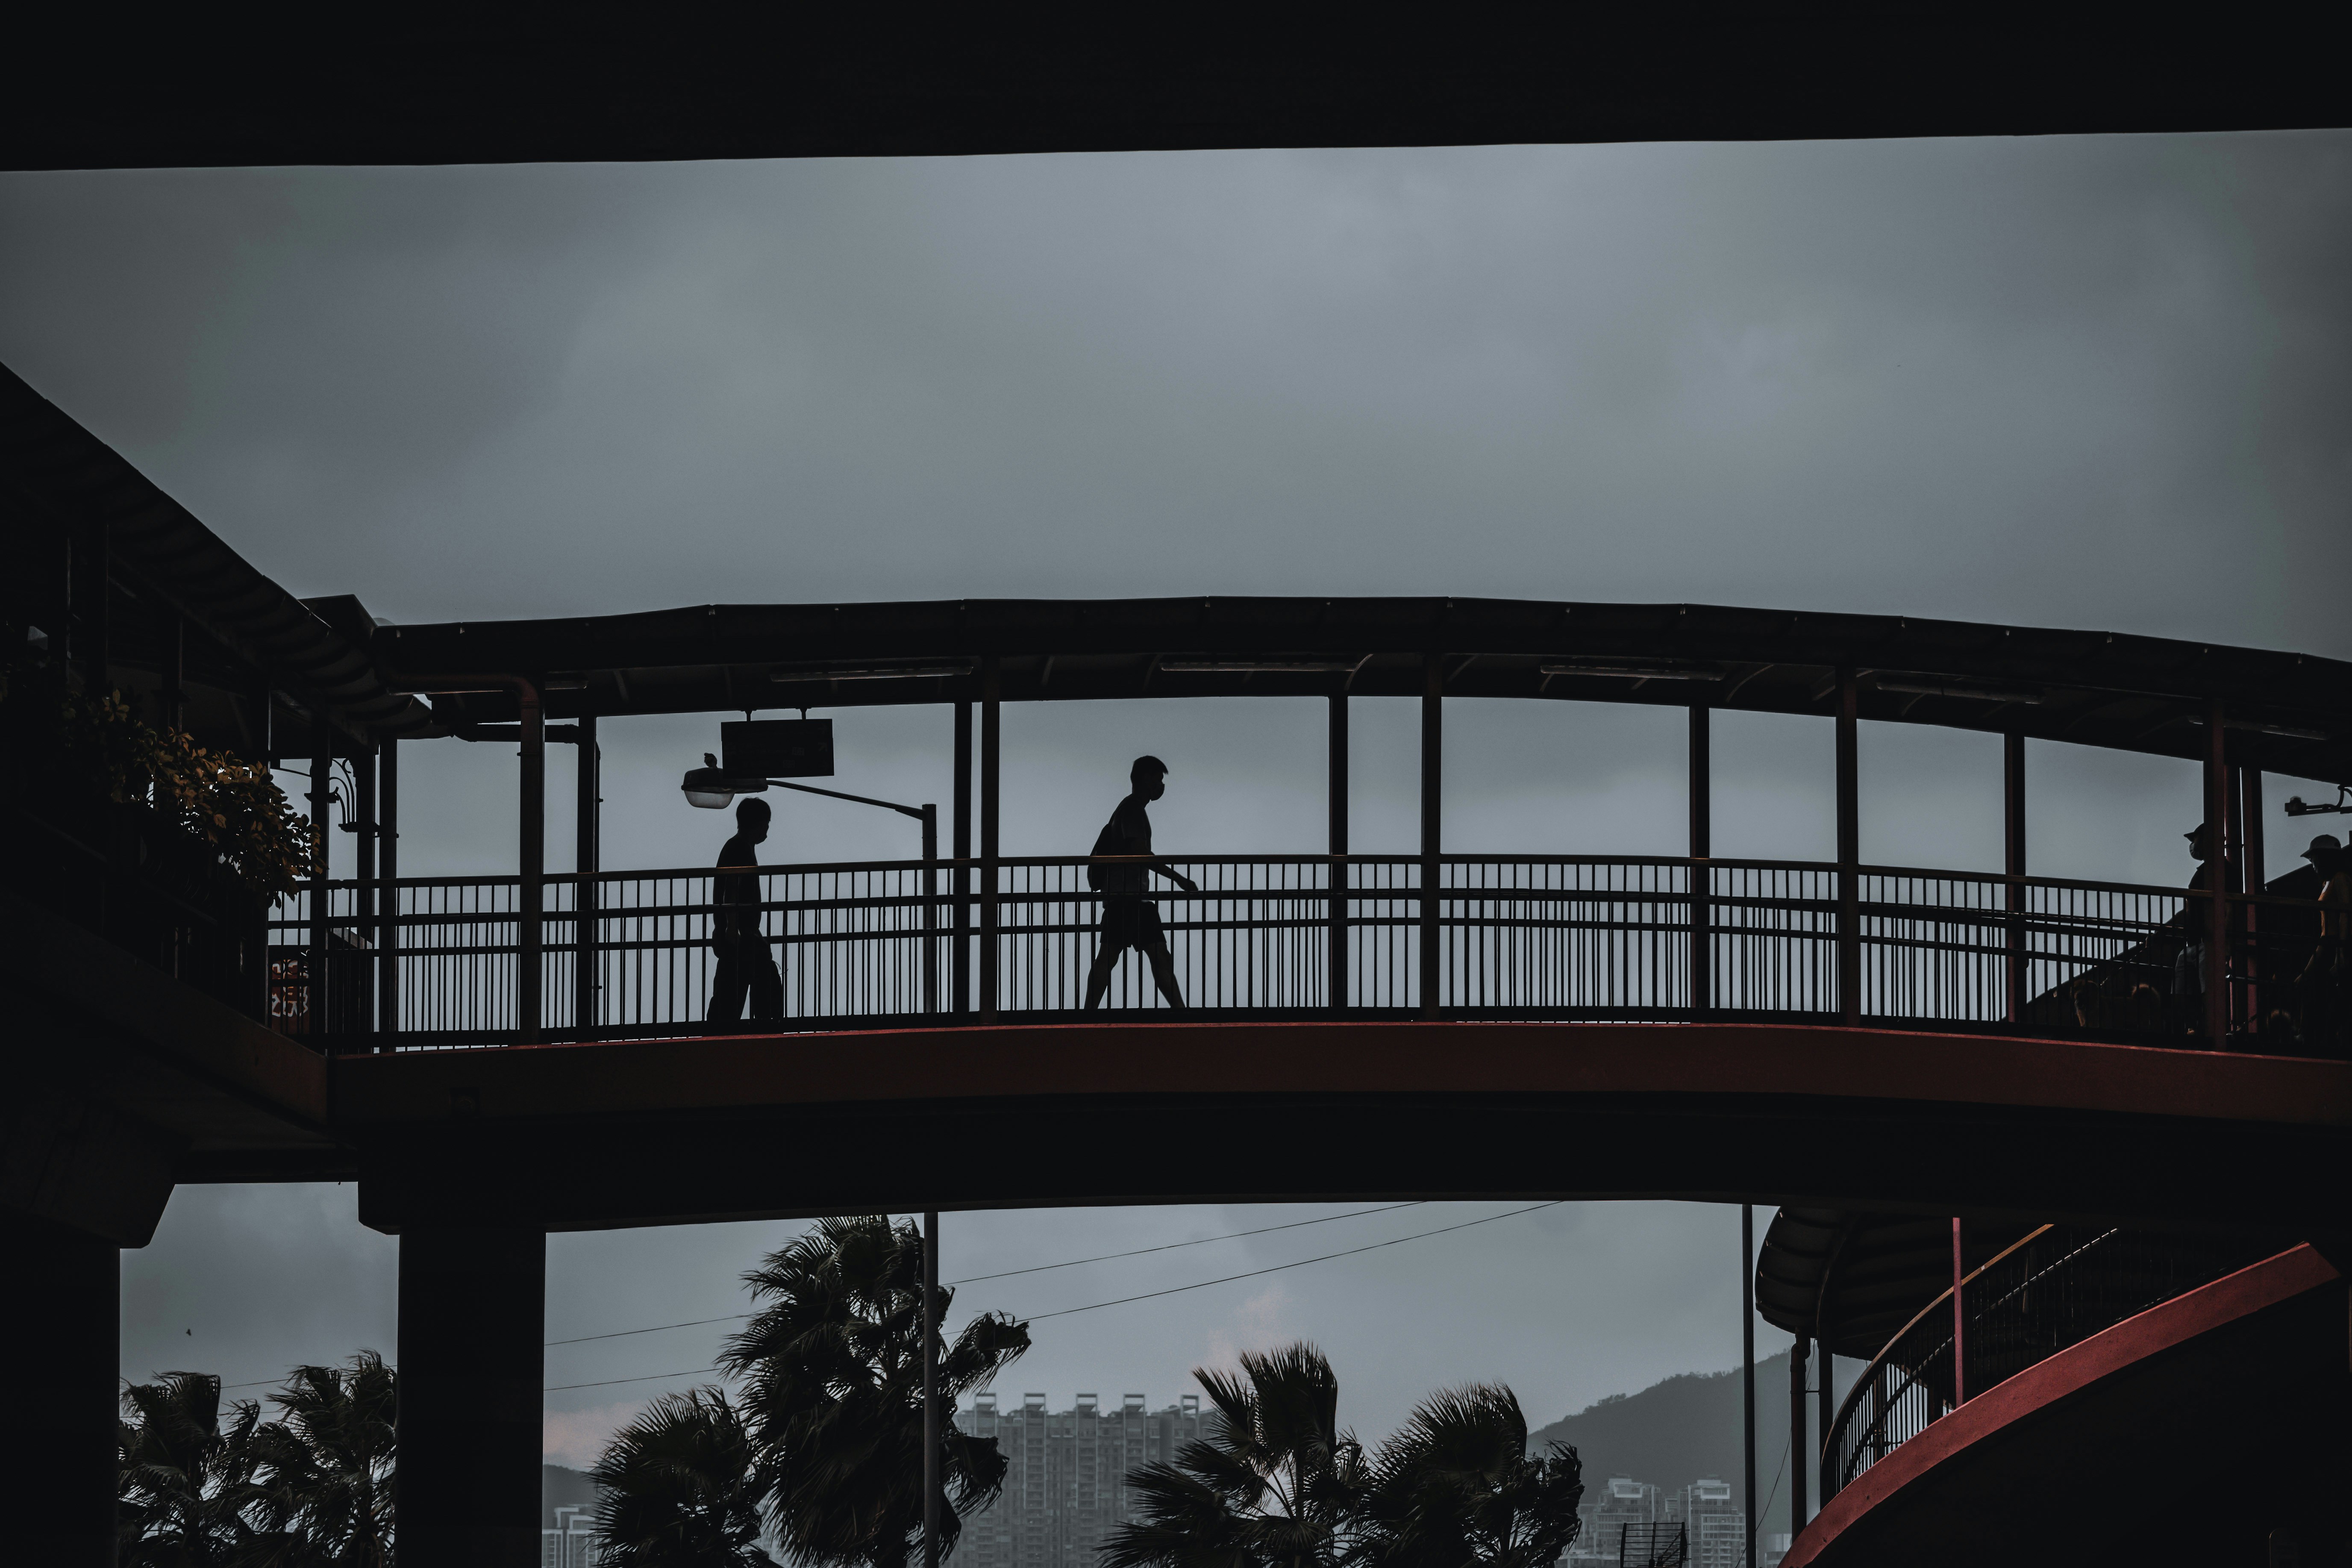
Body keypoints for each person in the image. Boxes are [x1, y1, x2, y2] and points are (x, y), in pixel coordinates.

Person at [1083, 755, 1200, 1012]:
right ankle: (1182, 1014)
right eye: (1158, 779)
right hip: (1130, 899)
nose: (1160, 785)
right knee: (1151, 958)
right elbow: (1141, 854)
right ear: (1147, 778)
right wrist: (1179, 879)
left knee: (1123, 957)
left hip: (1124, 899)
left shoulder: (1126, 809)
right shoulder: (1133, 809)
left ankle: (1087, 1013)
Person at [709, 797, 782, 1023]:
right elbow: (732, 886)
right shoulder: (740, 847)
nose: (767, 832)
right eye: (766, 825)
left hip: (740, 934)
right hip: (741, 934)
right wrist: (732, 927)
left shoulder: (739, 845)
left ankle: (723, 1032)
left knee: (733, 987)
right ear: (759, 824)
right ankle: (767, 1028)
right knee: (750, 980)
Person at [2294, 833, 2346, 1056]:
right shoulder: (2328, 883)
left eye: (2314, 861)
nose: (2313, 866)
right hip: (2329, 947)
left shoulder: (2341, 879)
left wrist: (2341, 956)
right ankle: (2310, 1034)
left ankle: (2314, 1038)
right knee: (2315, 990)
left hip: (2335, 948)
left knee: (2321, 993)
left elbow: (2347, 915)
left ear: (2324, 859)